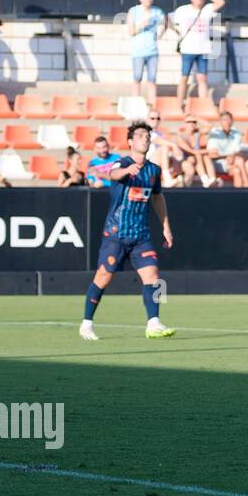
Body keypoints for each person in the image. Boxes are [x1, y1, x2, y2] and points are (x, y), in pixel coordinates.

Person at [79, 122, 175, 341]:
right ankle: (86, 323)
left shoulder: (154, 170)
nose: (146, 139)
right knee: (102, 278)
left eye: (148, 136)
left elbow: (158, 198)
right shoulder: (122, 163)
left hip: (141, 235)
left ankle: (154, 323)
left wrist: (166, 227)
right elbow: (113, 174)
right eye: (140, 135)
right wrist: (126, 171)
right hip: (116, 233)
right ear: (130, 141)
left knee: (155, 278)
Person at [171, 0, 225, 109]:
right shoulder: (183, 10)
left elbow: (221, 2)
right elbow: (169, 20)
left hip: (203, 49)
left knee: (202, 78)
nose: (199, 0)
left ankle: (203, 105)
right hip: (188, 49)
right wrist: (178, 33)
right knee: (184, 77)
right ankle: (179, 104)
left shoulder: (207, 10)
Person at [126, 0, 170, 105]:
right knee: (137, 78)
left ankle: (153, 105)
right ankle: (135, 103)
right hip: (138, 51)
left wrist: (160, 34)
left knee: (152, 79)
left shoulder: (157, 11)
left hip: (152, 51)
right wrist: (141, 25)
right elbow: (131, 31)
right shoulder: (133, 11)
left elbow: (166, 22)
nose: (148, 0)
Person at [206, 111, 247, 187]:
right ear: (220, 122)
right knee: (239, 162)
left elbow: (236, 150)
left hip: (232, 161)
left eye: (229, 119)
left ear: (232, 121)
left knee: (237, 170)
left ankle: (240, 194)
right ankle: (247, 185)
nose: (227, 122)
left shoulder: (236, 132)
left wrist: (232, 156)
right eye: (224, 120)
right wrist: (227, 156)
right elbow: (212, 154)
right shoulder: (215, 133)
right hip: (218, 162)